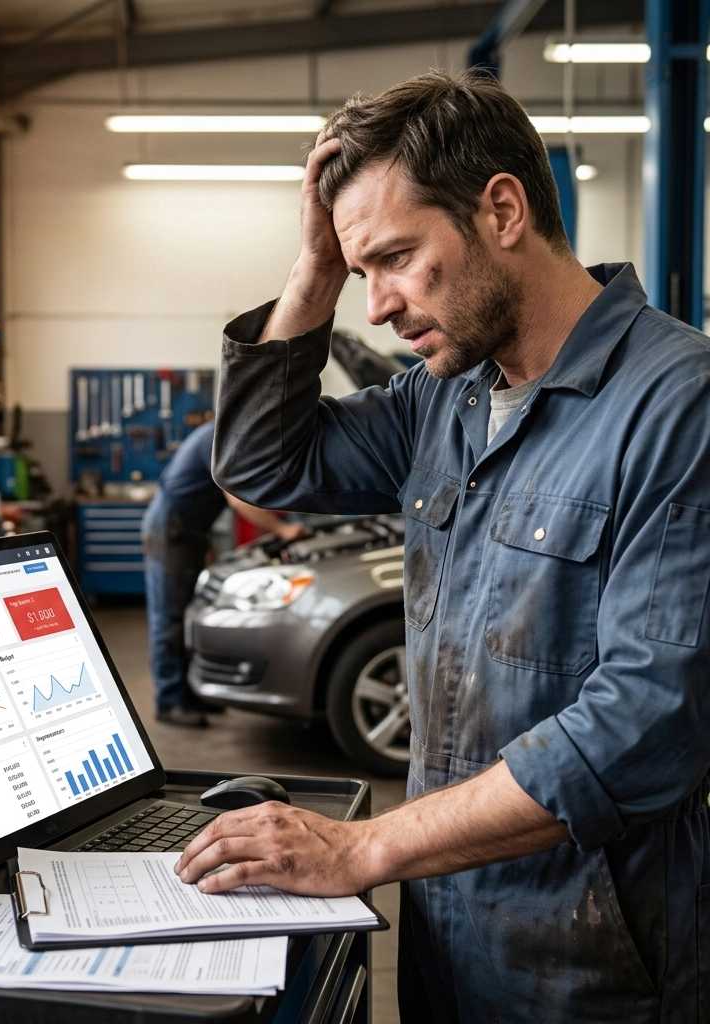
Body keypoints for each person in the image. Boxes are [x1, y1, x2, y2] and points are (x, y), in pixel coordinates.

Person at [174, 71, 710, 1022]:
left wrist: (364, 850)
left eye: (396, 259)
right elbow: (261, 461)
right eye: (360, 271)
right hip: (442, 924)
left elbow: (648, 724)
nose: (376, 307)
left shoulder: (678, 404)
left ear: (503, 208)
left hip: (593, 959)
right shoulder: (448, 399)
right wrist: (316, 272)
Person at [142, 418, 308, 728]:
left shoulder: (219, 434)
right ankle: (169, 701)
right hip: (171, 531)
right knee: (170, 618)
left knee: (186, 614)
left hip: (187, 530)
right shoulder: (219, 438)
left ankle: (188, 693)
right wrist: (282, 529)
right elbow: (237, 499)